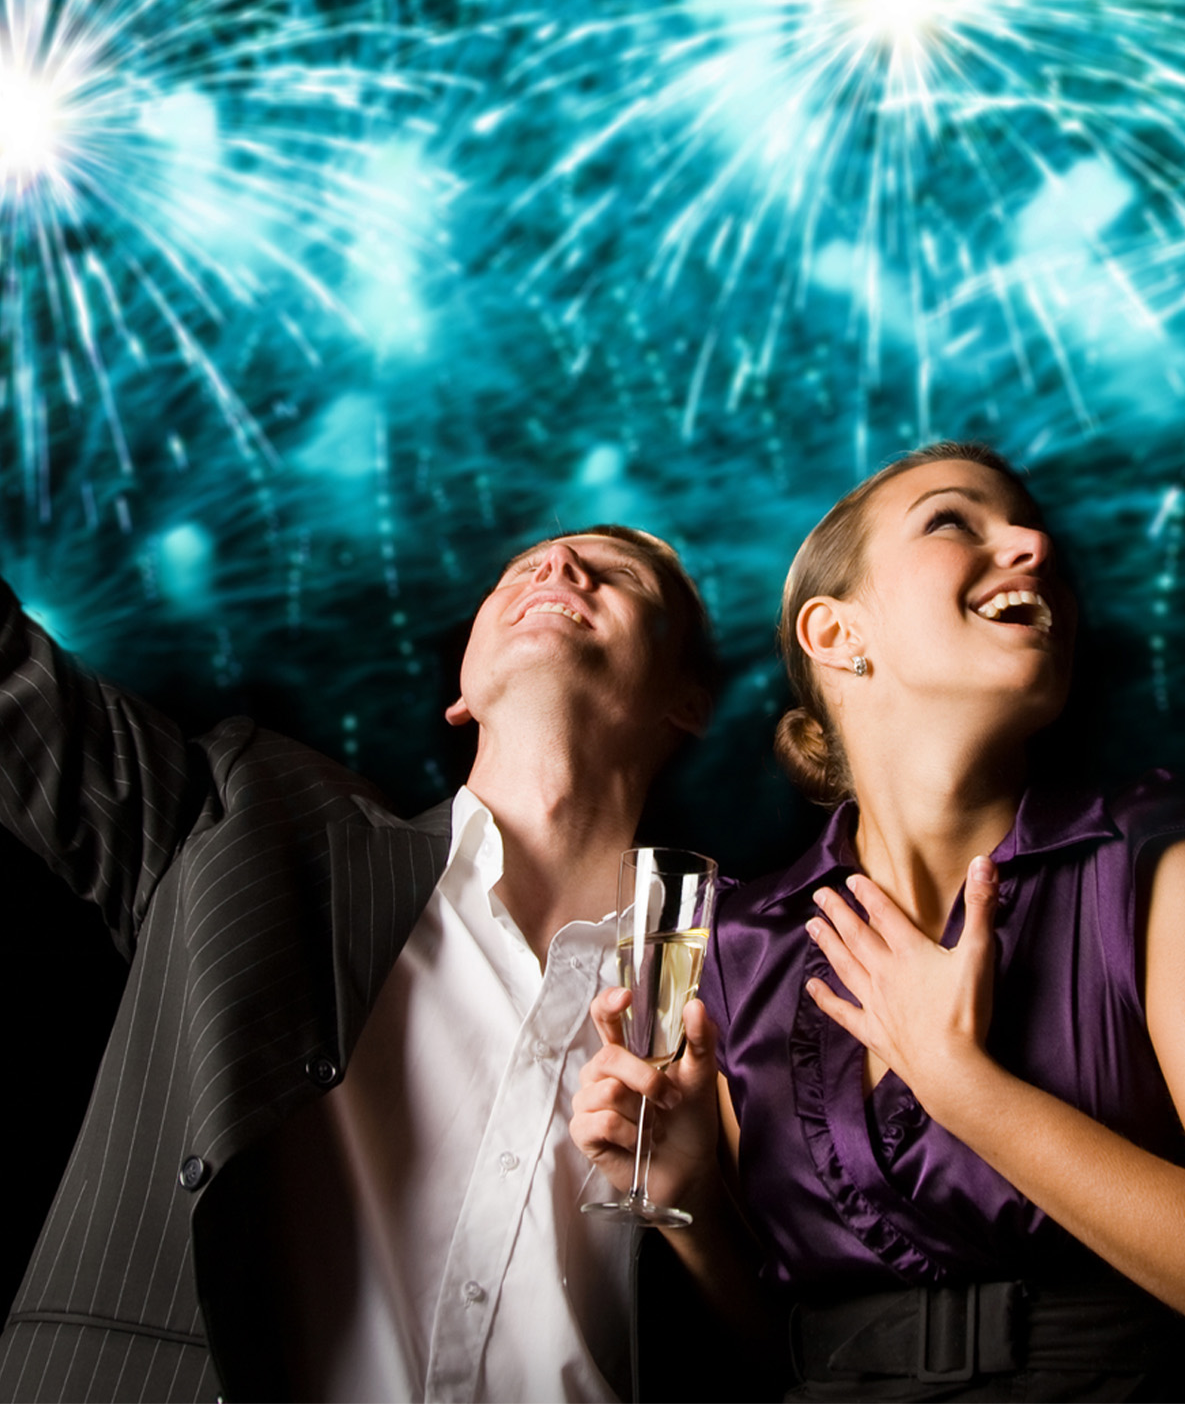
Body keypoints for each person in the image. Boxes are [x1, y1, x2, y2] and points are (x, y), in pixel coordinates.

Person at [572, 443, 1185, 1401]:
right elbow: (769, 1353)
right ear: (834, 632)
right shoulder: (740, 946)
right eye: (954, 521)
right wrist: (688, 1194)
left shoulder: (1156, 871)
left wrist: (963, 1084)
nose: (1035, 544)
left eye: (1035, 533)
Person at [0, 524, 716, 1404]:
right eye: (521, 568)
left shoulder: (733, 992)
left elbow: (792, 1340)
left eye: (618, 576)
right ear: (463, 692)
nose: (559, 566)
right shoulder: (250, 821)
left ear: (689, 700)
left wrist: (705, 1203)